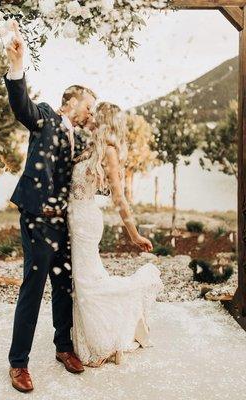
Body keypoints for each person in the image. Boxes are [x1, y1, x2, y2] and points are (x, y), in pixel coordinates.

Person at [4, 21, 96, 393]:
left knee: (64, 285)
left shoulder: (82, 138)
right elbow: (21, 105)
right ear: (70, 102)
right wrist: (17, 66)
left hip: (64, 222)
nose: (91, 112)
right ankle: (18, 363)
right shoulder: (43, 116)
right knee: (34, 286)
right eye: (89, 105)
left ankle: (64, 346)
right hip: (38, 217)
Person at [68, 102, 164, 367]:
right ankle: (95, 337)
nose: (89, 118)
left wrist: (134, 235)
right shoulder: (89, 149)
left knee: (88, 284)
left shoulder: (109, 152)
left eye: (95, 116)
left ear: (104, 121)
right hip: (74, 220)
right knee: (84, 283)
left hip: (86, 222)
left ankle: (103, 342)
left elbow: (119, 198)